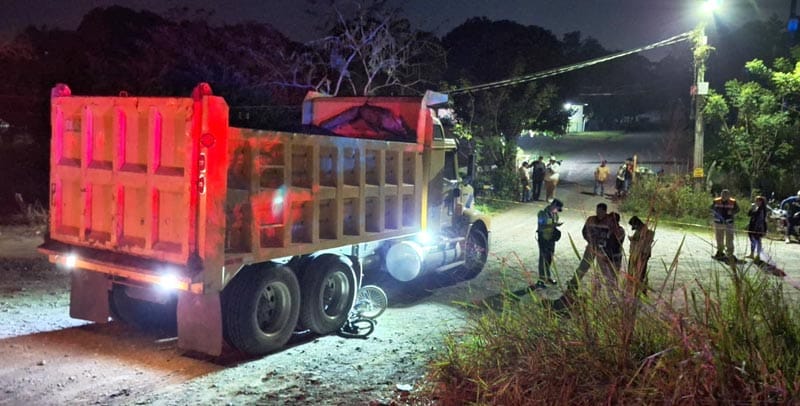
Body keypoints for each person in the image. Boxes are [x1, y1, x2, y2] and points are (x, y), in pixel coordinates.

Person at [572, 203, 621, 289]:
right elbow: (584, 232)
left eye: (600, 212)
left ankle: (608, 288)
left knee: (603, 270)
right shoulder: (591, 219)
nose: (598, 213)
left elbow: (614, 235)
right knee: (584, 266)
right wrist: (590, 240)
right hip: (591, 247)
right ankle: (574, 283)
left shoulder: (609, 220)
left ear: (605, 211)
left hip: (602, 250)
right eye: (597, 211)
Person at [536, 198, 563, 288]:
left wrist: (555, 227)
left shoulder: (555, 215)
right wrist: (553, 225)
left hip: (551, 239)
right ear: (553, 205)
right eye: (557, 208)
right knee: (543, 259)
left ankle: (548, 277)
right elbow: (541, 226)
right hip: (543, 238)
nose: (557, 211)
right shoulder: (542, 214)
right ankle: (541, 280)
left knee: (549, 258)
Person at [628, 216, 654, 296]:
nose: (633, 228)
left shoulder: (648, 233)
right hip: (634, 255)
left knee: (641, 275)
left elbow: (644, 244)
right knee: (632, 274)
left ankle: (641, 291)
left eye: (633, 226)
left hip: (641, 256)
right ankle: (633, 291)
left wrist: (633, 240)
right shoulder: (639, 231)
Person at [711, 189, 740, 261]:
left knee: (729, 239)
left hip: (729, 223)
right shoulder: (716, 201)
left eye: (726, 195)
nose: (724, 196)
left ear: (729, 196)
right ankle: (720, 252)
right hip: (718, 223)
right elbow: (711, 208)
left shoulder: (733, 202)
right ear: (721, 194)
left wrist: (732, 212)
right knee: (719, 239)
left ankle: (730, 254)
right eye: (723, 194)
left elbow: (737, 209)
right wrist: (714, 214)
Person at [746, 195, 768, 261]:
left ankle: (758, 255)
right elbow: (749, 214)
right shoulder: (755, 207)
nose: (757, 202)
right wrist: (752, 208)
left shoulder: (762, 209)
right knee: (752, 240)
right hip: (752, 226)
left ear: (761, 202)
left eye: (758, 201)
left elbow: (758, 216)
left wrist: (763, 229)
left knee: (758, 241)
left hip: (758, 227)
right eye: (756, 201)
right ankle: (752, 254)